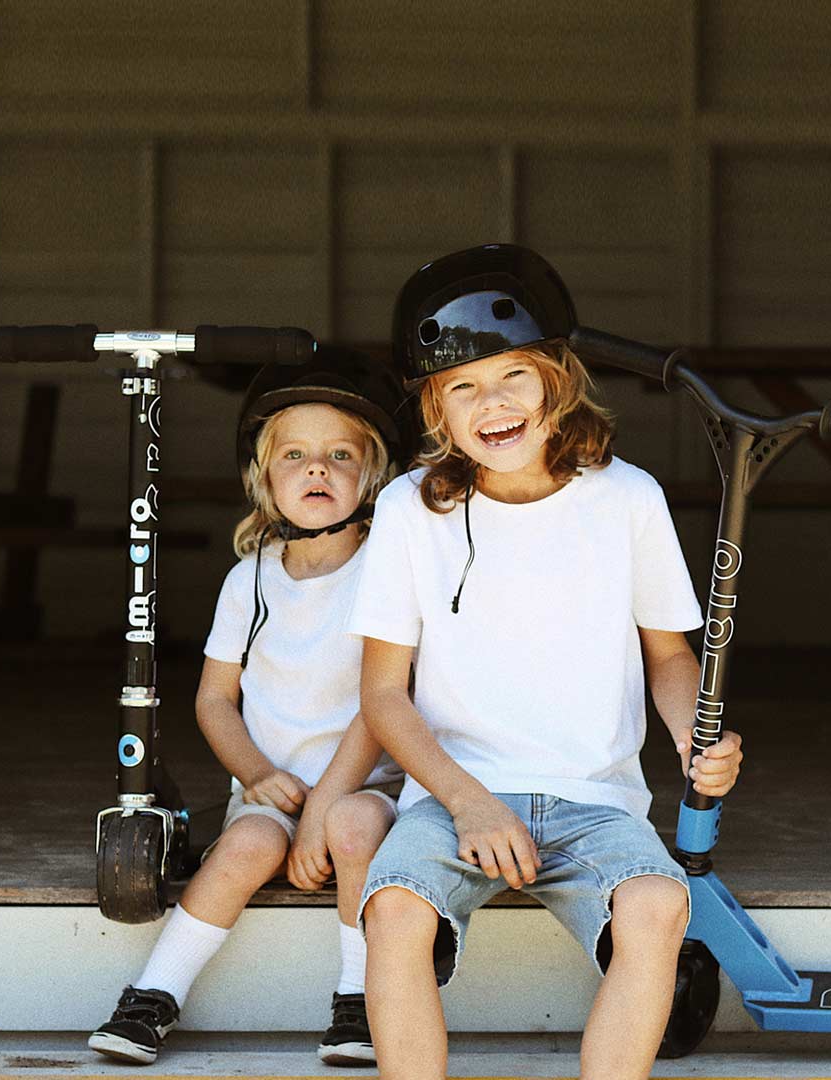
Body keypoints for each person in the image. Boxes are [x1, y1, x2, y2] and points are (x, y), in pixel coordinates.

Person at [347, 244, 745, 1080]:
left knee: (656, 902)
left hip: (594, 799)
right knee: (393, 909)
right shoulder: (408, 511)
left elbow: (670, 654)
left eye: (512, 377)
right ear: (437, 413)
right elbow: (383, 695)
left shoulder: (628, 498)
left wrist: (691, 736)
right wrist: (469, 803)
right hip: (454, 796)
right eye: (463, 388)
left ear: (556, 381)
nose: (491, 403)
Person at [89, 347, 410, 1068]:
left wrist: (325, 812)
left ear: (374, 474)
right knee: (246, 846)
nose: (317, 468)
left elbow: (378, 707)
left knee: (357, 829)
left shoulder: (389, 574)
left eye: (339, 454)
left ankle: (358, 1002)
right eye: (295, 455)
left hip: (366, 788)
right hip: (273, 788)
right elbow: (214, 699)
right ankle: (153, 995)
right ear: (264, 481)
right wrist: (256, 775)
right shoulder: (249, 580)